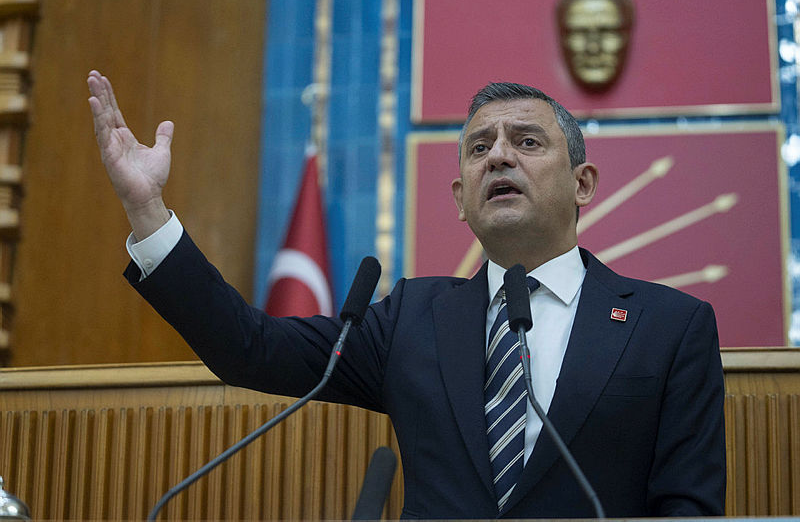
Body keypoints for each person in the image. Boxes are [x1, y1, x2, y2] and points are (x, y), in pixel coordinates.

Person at [88, 72, 725, 518]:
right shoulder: (412, 319)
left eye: (527, 141)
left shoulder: (671, 326)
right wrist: (147, 211)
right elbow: (248, 348)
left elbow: (689, 508)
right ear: (460, 199)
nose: (499, 157)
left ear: (583, 184)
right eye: (480, 147)